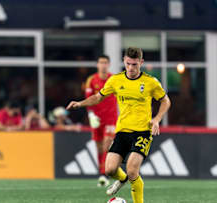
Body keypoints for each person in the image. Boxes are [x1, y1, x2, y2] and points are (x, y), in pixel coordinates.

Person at [67, 47, 171, 203]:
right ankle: (122, 180)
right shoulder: (116, 80)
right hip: (122, 131)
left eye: (134, 64)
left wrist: (156, 119)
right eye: (128, 63)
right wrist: (80, 104)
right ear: (124, 60)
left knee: (132, 170)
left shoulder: (150, 82)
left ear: (141, 63)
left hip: (142, 132)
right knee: (109, 169)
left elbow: (165, 101)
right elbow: (97, 97)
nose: (131, 68)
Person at [84, 54, 118, 187]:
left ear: (108, 64)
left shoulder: (114, 79)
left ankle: (104, 174)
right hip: (96, 119)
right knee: (98, 147)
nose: (103, 65)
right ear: (97, 65)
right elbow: (88, 98)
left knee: (107, 144)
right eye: (101, 62)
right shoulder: (91, 80)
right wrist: (91, 115)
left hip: (111, 118)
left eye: (105, 62)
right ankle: (101, 171)